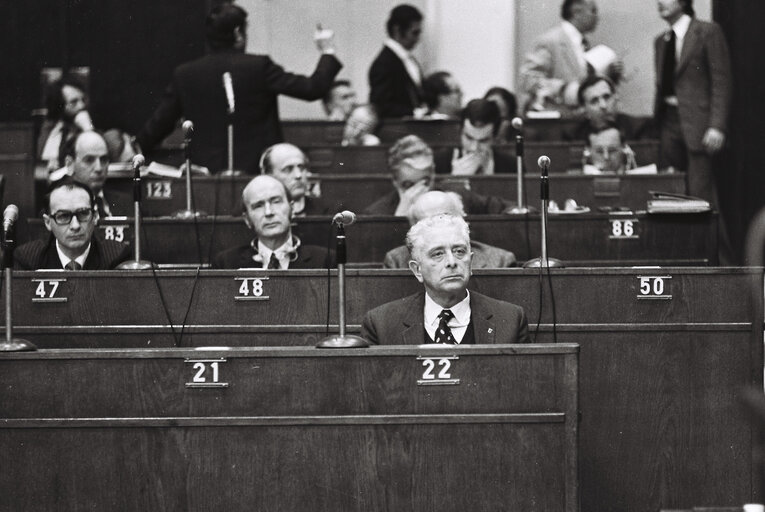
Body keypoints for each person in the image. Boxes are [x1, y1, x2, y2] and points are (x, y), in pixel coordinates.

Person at [137, 3, 342, 174]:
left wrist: (136, 149)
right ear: (238, 33)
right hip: (256, 171)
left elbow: (160, 123)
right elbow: (312, 88)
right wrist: (327, 51)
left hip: (204, 175)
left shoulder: (185, 73)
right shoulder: (259, 66)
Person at [361, 214, 529, 345]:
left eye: (459, 251)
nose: (451, 262)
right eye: (438, 254)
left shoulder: (510, 318)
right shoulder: (381, 323)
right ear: (417, 269)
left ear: (470, 262)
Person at [654, 0, 731, 204]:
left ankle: (709, 238)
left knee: (700, 193)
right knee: (671, 191)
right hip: (668, 123)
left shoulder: (707, 32)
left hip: (698, 124)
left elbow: (721, 80)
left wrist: (716, 126)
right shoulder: (661, 41)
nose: (660, 2)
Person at [362, 135, 510, 216]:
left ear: (433, 173)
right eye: (408, 185)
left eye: (425, 182)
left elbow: (507, 208)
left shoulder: (456, 194)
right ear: (395, 181)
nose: (418, 192)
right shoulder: (377, 213)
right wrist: (398, 221)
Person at [519, 0, 620, 115]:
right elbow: (528, 80)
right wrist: (564, 90)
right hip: (559, 122)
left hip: (581, 121)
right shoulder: (549, 41)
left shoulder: (583, 44)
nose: (597, 17)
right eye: (593, 11)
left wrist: (610, 75)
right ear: (576, 11)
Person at [212, 175, 333, 269]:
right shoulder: (226, 263)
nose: (268, 212)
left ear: (292, 209)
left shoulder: (325, 260)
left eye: (276, 201)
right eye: (258, 206)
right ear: (247, 219)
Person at [14, 179, 130, 270]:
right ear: (48, 222)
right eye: (63, 216)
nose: (75, 226)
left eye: (83, 214)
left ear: (95, 217)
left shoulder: (117, 256)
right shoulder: (28, 258)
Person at [383, 191, 516, 268]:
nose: (440, 229)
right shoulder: (397, 261)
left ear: (463, 220)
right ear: (414, 229)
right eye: (428, 223)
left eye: (444, 218)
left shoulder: (501, 261)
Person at [368, 4, 426, 118]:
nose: (418, 39)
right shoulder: (383, 64)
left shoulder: (408, 59)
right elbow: (381, 105)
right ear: (397, 30)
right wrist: (413, 112)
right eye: (414, 33)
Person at [433, 99, 515, 175]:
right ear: (460, 132)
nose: (474, 148)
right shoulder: (438, 162)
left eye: (483, 141)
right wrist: (455, 181)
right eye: (469, 138)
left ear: (494, 138)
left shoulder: (512, 166)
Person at [563, 75, 654, 142]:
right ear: (585, 110)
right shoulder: (574, 137)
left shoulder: (638, 128)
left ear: (616, 98)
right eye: (594, 101)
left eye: (607, 97)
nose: (603, 106)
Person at [50, 131, 117, 217]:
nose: (99, 168)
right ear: (69, 164)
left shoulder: (129, 202)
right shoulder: (56, 208)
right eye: (89, 160)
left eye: (103, 160)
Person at [38, 78, 95, 174]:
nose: (82, 106)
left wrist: (88, 128)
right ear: (60, 106)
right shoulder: (51, 129)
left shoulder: (89, 126)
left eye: (83, 100)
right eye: (74, 102)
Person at [259, 143, 333, 216]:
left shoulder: (328, 212)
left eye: (301, 168)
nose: (298, 175)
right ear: (269, 175)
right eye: (288, 169)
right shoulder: (263, 215)